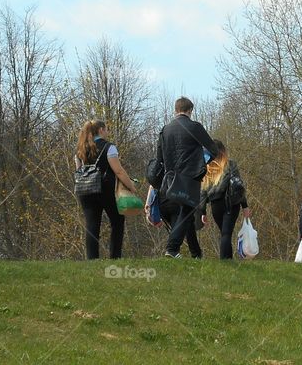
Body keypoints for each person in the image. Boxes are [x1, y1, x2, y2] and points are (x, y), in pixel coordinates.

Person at [147, 97, 219, 258]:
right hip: (191, 176)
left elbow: (159, 158)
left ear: (175, 110)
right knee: (187, 212)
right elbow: (213, 149)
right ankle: (172, 249)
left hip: (171, 177)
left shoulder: (165, 130)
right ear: (189, 111)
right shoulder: (195, 127)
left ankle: (182, 251)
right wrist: (203, 161)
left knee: (183, 212)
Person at [74, 119, 139, 260]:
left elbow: (78, 170)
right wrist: (130, 186)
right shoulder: (109, 147)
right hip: (105, 189)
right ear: (101, 130)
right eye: (107, 129)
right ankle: (115, 256)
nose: (108, 132)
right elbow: (119, 171)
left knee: (92, 224)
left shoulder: (80, 149)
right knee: (117, 221)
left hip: (85, 190)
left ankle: (92, 259)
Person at [198, 140, 252, 259]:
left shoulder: (207, 169)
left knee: (224, 234)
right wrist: (245, 206)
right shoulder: (230, 164)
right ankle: (224, 261)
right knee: (226, 234)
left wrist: (202, 212)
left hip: (215, 205)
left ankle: (228, 261)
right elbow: (238, 186)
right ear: (222, 151)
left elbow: (203, 191)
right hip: (230, 203)